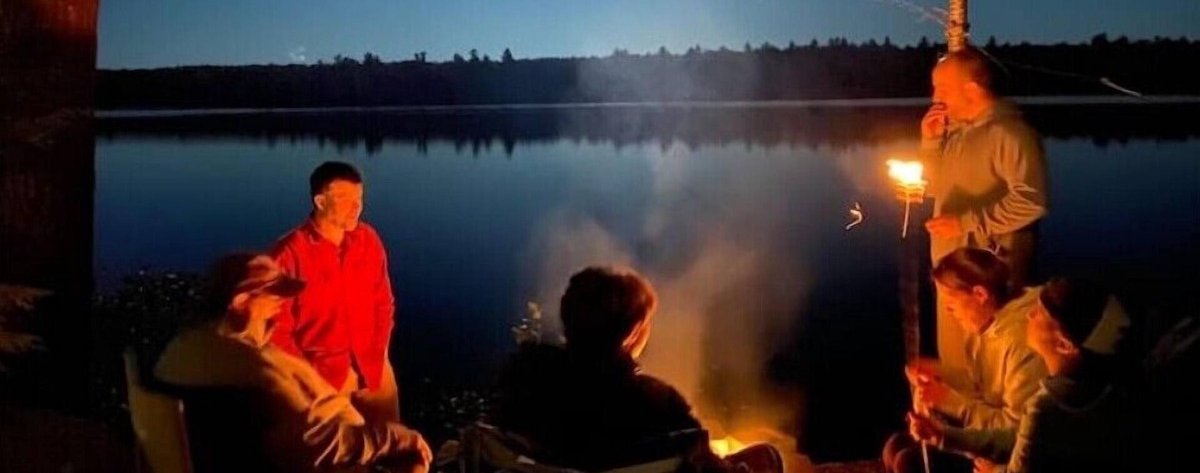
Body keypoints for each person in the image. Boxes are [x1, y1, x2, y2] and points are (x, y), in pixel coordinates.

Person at [154, 253, 432, 473]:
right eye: (272, 295)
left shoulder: (183, 350)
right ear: (240, 301)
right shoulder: (256, 371)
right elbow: (315, 446)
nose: (280, 303)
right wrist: (395, 438)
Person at [493, 266, 782, 473]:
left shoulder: (524, 382)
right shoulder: (659, 403)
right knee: (765, 457)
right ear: (632, 332)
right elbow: (700, 462)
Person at [907, 277, 1132, 473]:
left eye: (1040, 313)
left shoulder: (1045, 406)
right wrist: (942, 436)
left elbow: (1020, 449)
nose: (1030, 313)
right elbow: (1021, 437)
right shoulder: (1097, 385)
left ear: (1064, 345)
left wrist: (993, 470)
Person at [920, 47, 1047, 368]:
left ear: (973, 89)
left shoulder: (1010, 133)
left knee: (993, 363)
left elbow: (1032, 202)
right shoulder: (958, 134)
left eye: (942, 88)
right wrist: (931, 143)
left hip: (988, 280)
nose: (935, 97)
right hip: (951, 273)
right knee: (955, 361)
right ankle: (957, 397)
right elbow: (935, 188)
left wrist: (965, 223)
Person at [883, 248, 1047, 473]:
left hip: (1010, 453)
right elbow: (982, 385)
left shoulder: (1022, 342)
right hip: (985, 435)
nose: (947, 309)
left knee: (907, 462)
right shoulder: (984, 322)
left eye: (951, 301)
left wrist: (948, 402)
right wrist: (940, 374)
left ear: (980, 294)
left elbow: (1017, 433)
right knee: (895, 446)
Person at [271, 161, 400, 424]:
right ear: (320, 201)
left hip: (374, 372)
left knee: (396, 443)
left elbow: (383, 303)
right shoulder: (288, 255)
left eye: (359, 199)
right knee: (344, 449)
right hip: (325, 383)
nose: (356, 208)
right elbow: (276, 331)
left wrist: (380, 352)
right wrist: (311, 379)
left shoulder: (368, 240)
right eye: (345, 200)